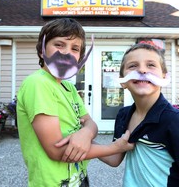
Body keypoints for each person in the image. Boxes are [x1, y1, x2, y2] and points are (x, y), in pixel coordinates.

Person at [16, 18, 133, 187]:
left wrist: (85, 133)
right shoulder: (38, 83)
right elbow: (57, 151)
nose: (66, 52)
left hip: (77, 178)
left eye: (75, 48)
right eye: (59, 44)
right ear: (42, 50)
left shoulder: (69, 87)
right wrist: (115, 148)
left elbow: (91, 123)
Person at [98, 43, 179, 186]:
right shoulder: (123, 115)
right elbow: (114, 158)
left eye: (151, 65)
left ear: (164, 76)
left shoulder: (175, 121)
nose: (142, 70)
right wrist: (83, 140)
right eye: (132, 66)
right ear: (122, 80)